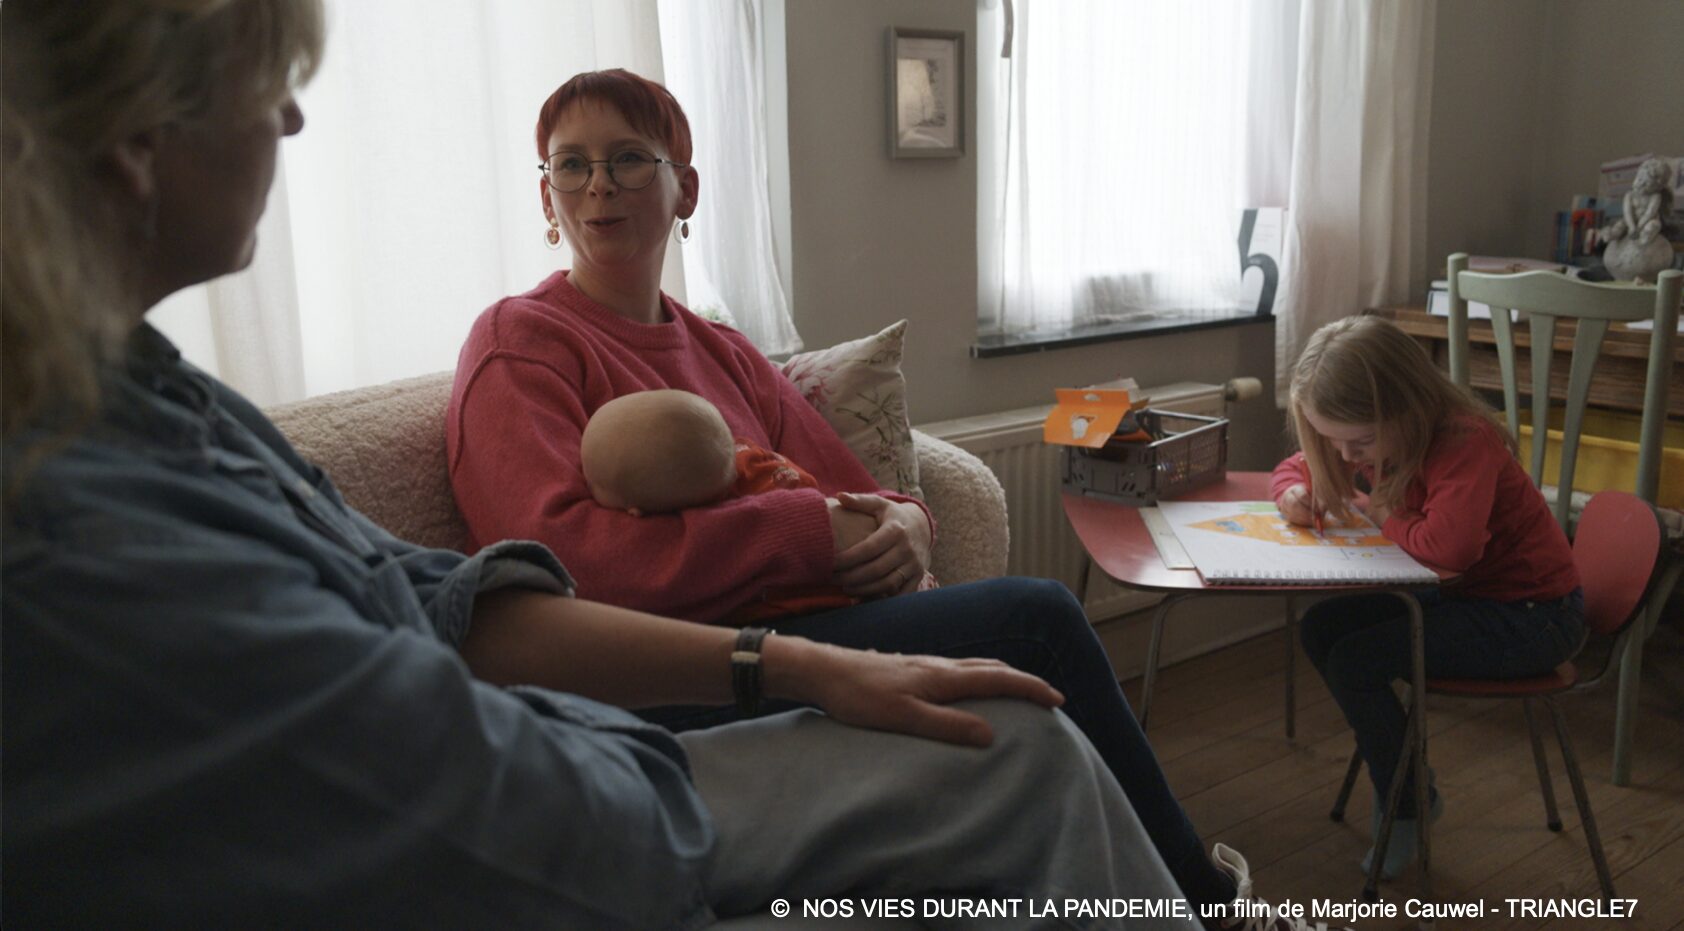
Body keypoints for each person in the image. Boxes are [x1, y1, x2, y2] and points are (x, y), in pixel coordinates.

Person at [448, 67, 1339, 931]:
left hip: (805, 626)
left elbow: (855, 487)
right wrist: (806, 533)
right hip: (673, 675)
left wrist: (911, 520)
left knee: (1023, 704)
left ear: (686, 187)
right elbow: (569, 569)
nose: (599, 185)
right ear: (546, 196)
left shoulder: (722, 349)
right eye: (571, 164)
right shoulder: (520, 341)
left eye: (629, 159)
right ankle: (1209, 904)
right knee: (1037, 620)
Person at [1273, 314, 1584, 879]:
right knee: (1320, 628)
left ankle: (1407, 805)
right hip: (1463, 597)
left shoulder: (1464, 441)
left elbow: (1449, 550)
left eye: (1359, 443)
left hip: (1533, 618)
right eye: (1333, 441)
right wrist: (1292, 490)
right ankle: (1406, 782)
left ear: (1408, 408)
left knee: (1356, 661)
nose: (1347, 457)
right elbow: (1301, 466)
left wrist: (1383, 513)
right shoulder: (1371, 440)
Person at [580, 388, 882, 621]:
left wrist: (904, 514)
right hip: (858, 597)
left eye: (592, 482)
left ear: (635, 511)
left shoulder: (709, 560)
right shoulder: (755, 462)